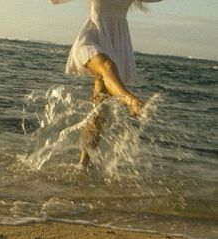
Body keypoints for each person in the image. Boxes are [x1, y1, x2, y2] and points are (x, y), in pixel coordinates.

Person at [49, 0, 163, 166]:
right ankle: (130, 99)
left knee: (99, 112)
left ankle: (84, 164)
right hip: (91, 39)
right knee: (107, 66)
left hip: (115, 44)